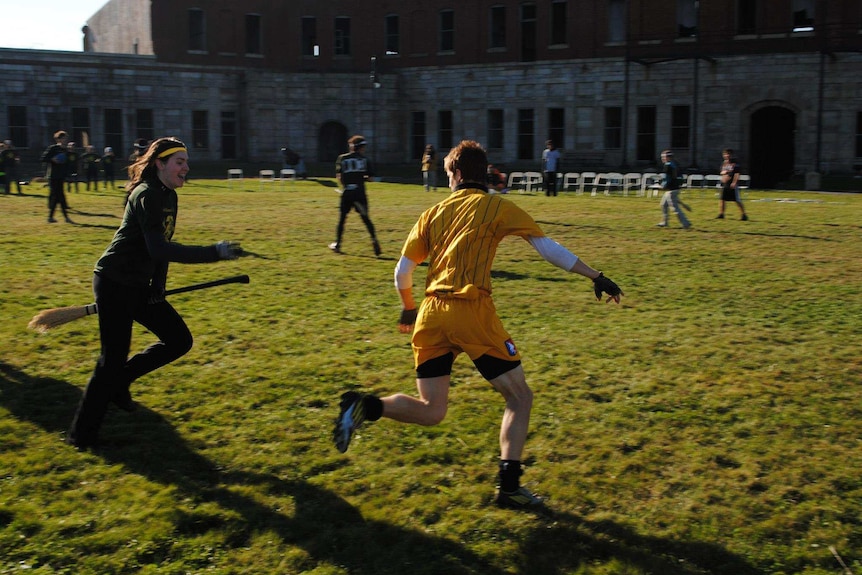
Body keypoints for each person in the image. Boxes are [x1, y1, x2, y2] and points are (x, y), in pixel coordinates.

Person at [332, 140, 623, 509]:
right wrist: (595, 276)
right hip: (470, 310)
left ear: (453, 174)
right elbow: (545, 247)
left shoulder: (433, 211)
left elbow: (401, 271)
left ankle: (364, 406)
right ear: (484, 173)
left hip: (431, 313)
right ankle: (509, 487)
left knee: (432, 410)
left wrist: (409, 308)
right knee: (520, 396)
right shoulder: (496, 205)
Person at [66, 137, 243, 450]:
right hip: (114, 282)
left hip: (138, 285)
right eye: (179, 162)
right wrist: (213, 253)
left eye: (187, 162)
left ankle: (122, 380)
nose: (186, 168)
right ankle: (83, 436)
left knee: (178, 340)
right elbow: (158, 247)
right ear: (160, 163)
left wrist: (158, 287)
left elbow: (160, 248)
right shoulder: (147, 193)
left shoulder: (168, 194)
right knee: (110, 361)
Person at [329, 135, 381, 256]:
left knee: (342, 219)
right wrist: (363, 178)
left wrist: (346, 185)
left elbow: (339, 177)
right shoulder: (365, 160)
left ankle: (338, 244)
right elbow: (371, 178)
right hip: (360, 193)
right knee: (366, 218)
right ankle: (374, 240)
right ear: (361, 148)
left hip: (348, 192)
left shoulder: (342, 158)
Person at [40, 130, 72, 223]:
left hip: (61, 176)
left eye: (66, 138)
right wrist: (52, 159)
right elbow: (43, 158)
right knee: (57, 196)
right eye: (63, 138)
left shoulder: (65, 150)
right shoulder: (53, 148)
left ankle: (53, 217)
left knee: (59, 196)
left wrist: (68, 175)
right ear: (59, 139)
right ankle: (63, 217)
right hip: (53, 176)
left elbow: (67, 163)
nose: (65, 140)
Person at [655, 150, 691, 229]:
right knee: (663, 204)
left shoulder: (668, 165)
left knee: (675, 208)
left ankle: (686, 223)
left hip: (671, 189)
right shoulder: (675, 164)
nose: (662, 158)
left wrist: (663, 186)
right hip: (675, 188)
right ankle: (665, 222)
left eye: (663, 157)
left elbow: (668, 178)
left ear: (667, 157)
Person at [717, 148, 748, 221]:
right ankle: (721, 214)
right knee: (722, 199)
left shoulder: (734, 164)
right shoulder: (724, 163)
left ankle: (744, 214)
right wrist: (724, 173)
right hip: (725, 184)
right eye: (725, 154)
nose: (727, 156)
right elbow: (721, 172)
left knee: (737, 200)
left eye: (728, 154)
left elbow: (737, 174)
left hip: (732, 184)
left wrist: (734, 182)